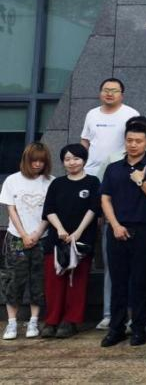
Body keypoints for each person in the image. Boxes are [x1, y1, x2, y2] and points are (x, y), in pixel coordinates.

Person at [99, 122, 146, 348]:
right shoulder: (113, 168)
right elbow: (105, 198)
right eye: (130, 140)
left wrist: (142, 181)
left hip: (144, 230)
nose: (133, 145)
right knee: (118, 282)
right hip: (117, 229)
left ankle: (138, 328)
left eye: (138, 141)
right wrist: (115, 225)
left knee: (140, 281)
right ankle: (115, 329)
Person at [39, 144, 100, 339]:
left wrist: (78, 232)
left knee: (77, 281)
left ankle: (71, 321)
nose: (72, 162)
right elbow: (49, 210)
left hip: (81, 241)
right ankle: (52, 320)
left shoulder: (92, 182)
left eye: (76, 158)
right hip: (57, 239)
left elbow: (93, 209)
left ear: (84, 160)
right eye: (67, 159)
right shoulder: (57, 184)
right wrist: (60, 229)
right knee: (54, 282)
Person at [2, 143, 52, 340]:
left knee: (38, 279)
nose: (37, 164)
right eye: (34, 160)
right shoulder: (12, 180)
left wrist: (37, 233)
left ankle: (34, 321)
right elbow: (11, 210)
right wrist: (23, 234)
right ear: (26, 160)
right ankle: (12, 322)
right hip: (16, 237)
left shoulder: (50, 182)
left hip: (42, 238)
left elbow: (50, 212)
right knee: (14, 277)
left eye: (41, 161)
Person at [81, 77, 140, 178]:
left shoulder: (131, 114)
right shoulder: (92, 114)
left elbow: (139, 142)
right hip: (91, 170)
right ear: (100, 93)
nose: (109, 94)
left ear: (122, 95)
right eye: (106, 90)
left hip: (119, 169)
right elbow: (85, 141)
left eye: (114, 91)